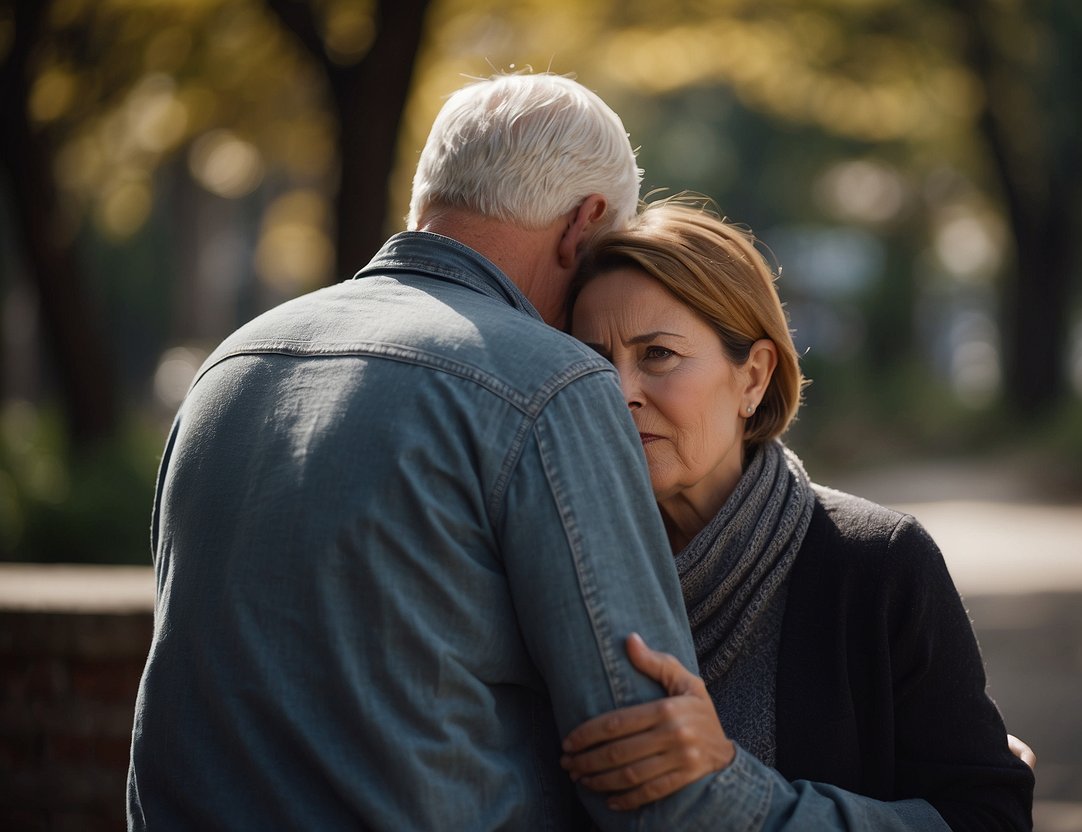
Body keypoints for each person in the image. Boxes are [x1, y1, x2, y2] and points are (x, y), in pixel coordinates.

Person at [126, 74, 961, 830]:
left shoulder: (228, 366)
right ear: (585, 225)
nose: (616, 380)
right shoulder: (544, 382)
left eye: (658, 353)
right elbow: (652, 789)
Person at [560, 198, 1036, 828]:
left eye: (658, 355)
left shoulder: (876, 563)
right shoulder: (562, 565)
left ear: (753, 377)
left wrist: (737, 792)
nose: (619, 392)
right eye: (594, 361)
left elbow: (988, 817)